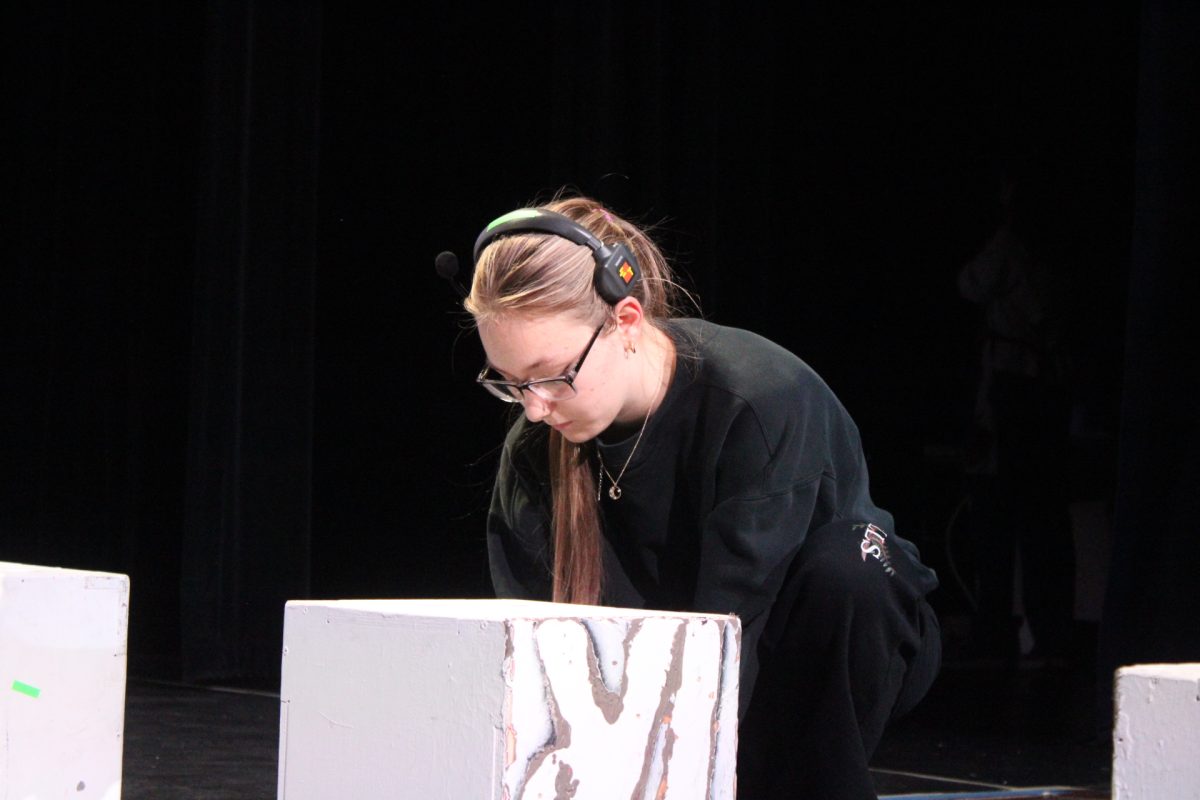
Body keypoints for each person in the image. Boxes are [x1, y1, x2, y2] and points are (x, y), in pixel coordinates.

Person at [463, 194, 941, 799]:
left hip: (808, 648)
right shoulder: (536, 449)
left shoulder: (757, 402)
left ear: (627, 321)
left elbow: (732, 627)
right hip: (662, 677)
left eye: (553, 375)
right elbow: (534, 639)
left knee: (849, 570)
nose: (534, 406)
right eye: (511, 383)